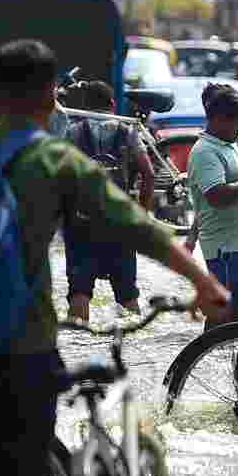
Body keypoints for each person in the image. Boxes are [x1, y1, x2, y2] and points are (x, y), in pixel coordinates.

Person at [0, 39, 230, 476]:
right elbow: (136, 224)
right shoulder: (54, 159)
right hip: (21, 353)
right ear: (51, 95)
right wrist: (204, 282)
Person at [59, 80, 157, 323]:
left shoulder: (72, 132)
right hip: (121, 222)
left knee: (79, 292)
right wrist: (141, 215)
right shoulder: (128, 131)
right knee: (127, 295)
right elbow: (149, 174)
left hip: (81, 224)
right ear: (112, 104)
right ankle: (132, 355)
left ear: (85, 105)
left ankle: (77, 349)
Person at [188, 83, 238, 327]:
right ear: (220, 120)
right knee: (223, 324)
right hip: (227, 251)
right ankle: (202, 364)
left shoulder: (229, 147)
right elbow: (218, 197)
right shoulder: (205, 152)